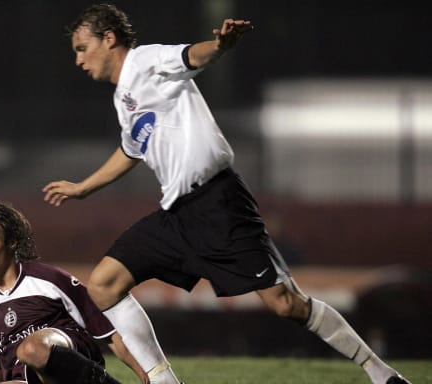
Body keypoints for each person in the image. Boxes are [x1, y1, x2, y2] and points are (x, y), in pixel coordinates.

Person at [42, 4, 411, 384]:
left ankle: (381, 373)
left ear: (109, 38)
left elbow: (191, 56)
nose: (78, 60)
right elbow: (131, 150)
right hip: (176, 214)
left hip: (219, 205)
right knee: (103, 285)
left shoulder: (147, 60)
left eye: (82, 48)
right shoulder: (123, 99)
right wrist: (83, 187)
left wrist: (220, 46)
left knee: (286, 304)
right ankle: (164, 382)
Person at [0, 202, 148, 384]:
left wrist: (150, 374)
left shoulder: (49, 279)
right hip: (27, 378)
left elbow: (107, 332)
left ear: (11, 242)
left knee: (31, 349)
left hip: (71, 363)